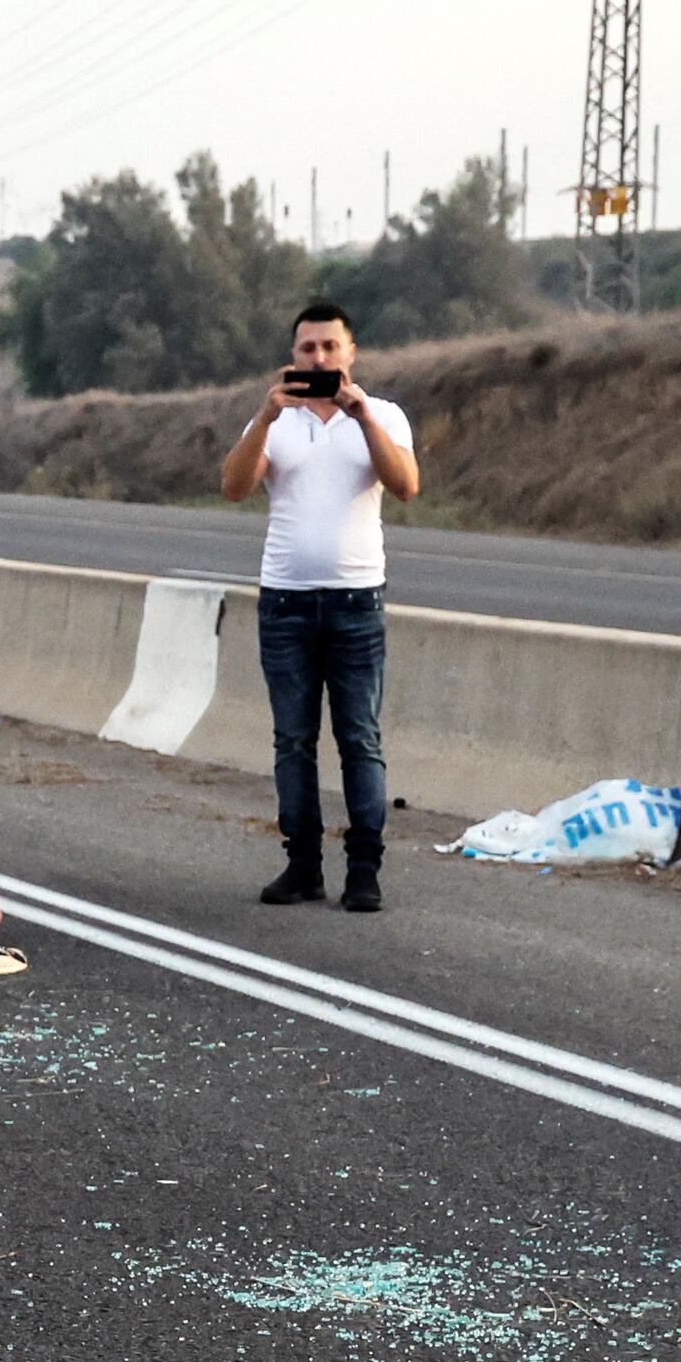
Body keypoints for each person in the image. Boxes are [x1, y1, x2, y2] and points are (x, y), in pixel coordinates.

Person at [216, 298, 421, 913]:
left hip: (357, 603)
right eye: (308, 349)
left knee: (359, 738)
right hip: (285, 604)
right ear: (293, 356)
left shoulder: (382, 414)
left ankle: (365, 870)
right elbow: (233, 487)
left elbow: (407, 485)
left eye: (331, 347)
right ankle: (302, 865)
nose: (320, 358)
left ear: (351, 353)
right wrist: (263, 414)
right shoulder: (275, 422)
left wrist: (361, 419)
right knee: (292, 740)